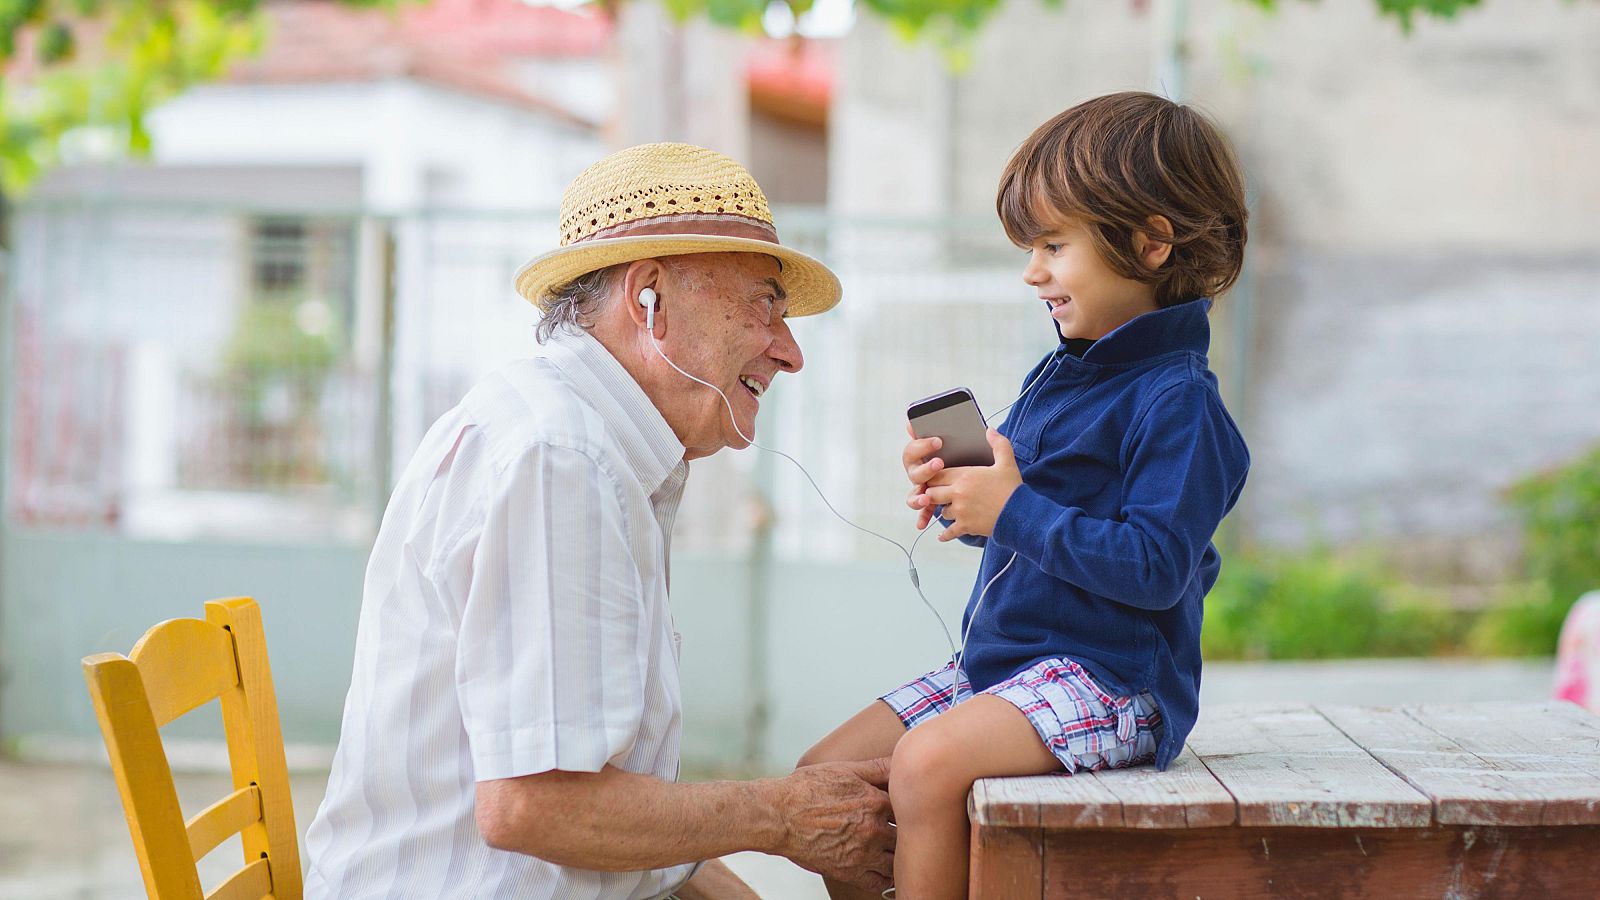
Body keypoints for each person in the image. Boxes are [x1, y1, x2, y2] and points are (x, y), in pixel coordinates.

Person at [304, 143, 894, 900]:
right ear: (648, 297)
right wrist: (780, 815)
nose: (789, 350)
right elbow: (536, 807)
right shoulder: (562, 457)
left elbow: (604, 806)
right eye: (764, 303)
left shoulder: (589, 439)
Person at [799, 92, 1253, 899]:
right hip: (1001, 672)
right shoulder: (1063, 371)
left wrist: (1012, 508)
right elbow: (1028, 526)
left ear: (1151, 246)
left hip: (1113, 682)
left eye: (1053, 245)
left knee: (927, 762)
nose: (1032, 270)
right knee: (824, 776)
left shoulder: (1179, 403)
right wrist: (967, 498)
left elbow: (1155, 567)